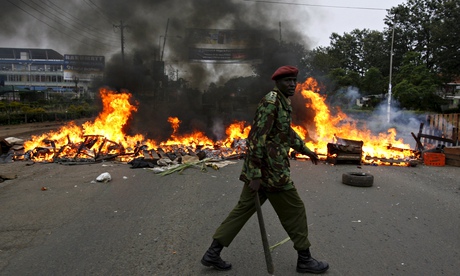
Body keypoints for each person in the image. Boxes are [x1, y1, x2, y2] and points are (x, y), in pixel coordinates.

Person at [201, 65, 329, 274]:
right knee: (295, 210)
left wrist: (306, 150)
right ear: (277, 82)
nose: (292, 84)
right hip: (272, 174)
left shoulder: (282, 102)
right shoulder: (271, 103)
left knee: (241, 211)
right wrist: (255, 175)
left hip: (266, 172)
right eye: (287, 81)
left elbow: (285, 132)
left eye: (293, 81)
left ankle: (212, 253)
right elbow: (256, 139)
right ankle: (304, 259)